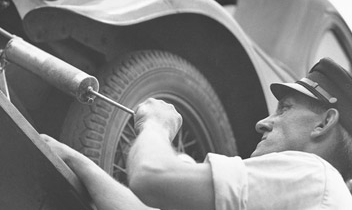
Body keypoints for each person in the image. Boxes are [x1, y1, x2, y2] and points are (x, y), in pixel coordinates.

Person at [41, 57, 352, 210]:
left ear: (323, 124)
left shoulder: (315, 176)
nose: (263, 123)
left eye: (284, 109)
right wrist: (77, 162)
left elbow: (151, 177)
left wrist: (156, 125)